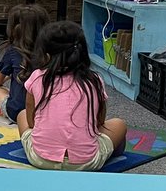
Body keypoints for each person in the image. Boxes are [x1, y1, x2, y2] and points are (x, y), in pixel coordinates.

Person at [18, 20, 127, 172]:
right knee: (119, 124)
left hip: (40, 158)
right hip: (87, 162)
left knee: (22, 114)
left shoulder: (37, 77)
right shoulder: (94, 80)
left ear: (46, 55)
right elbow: (99, 122)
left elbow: (31, 121)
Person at [0, 3, 49, 126]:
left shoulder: (13, 51)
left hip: (17, 112)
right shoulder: (52, 52)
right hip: (46, 112)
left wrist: (12, 74)